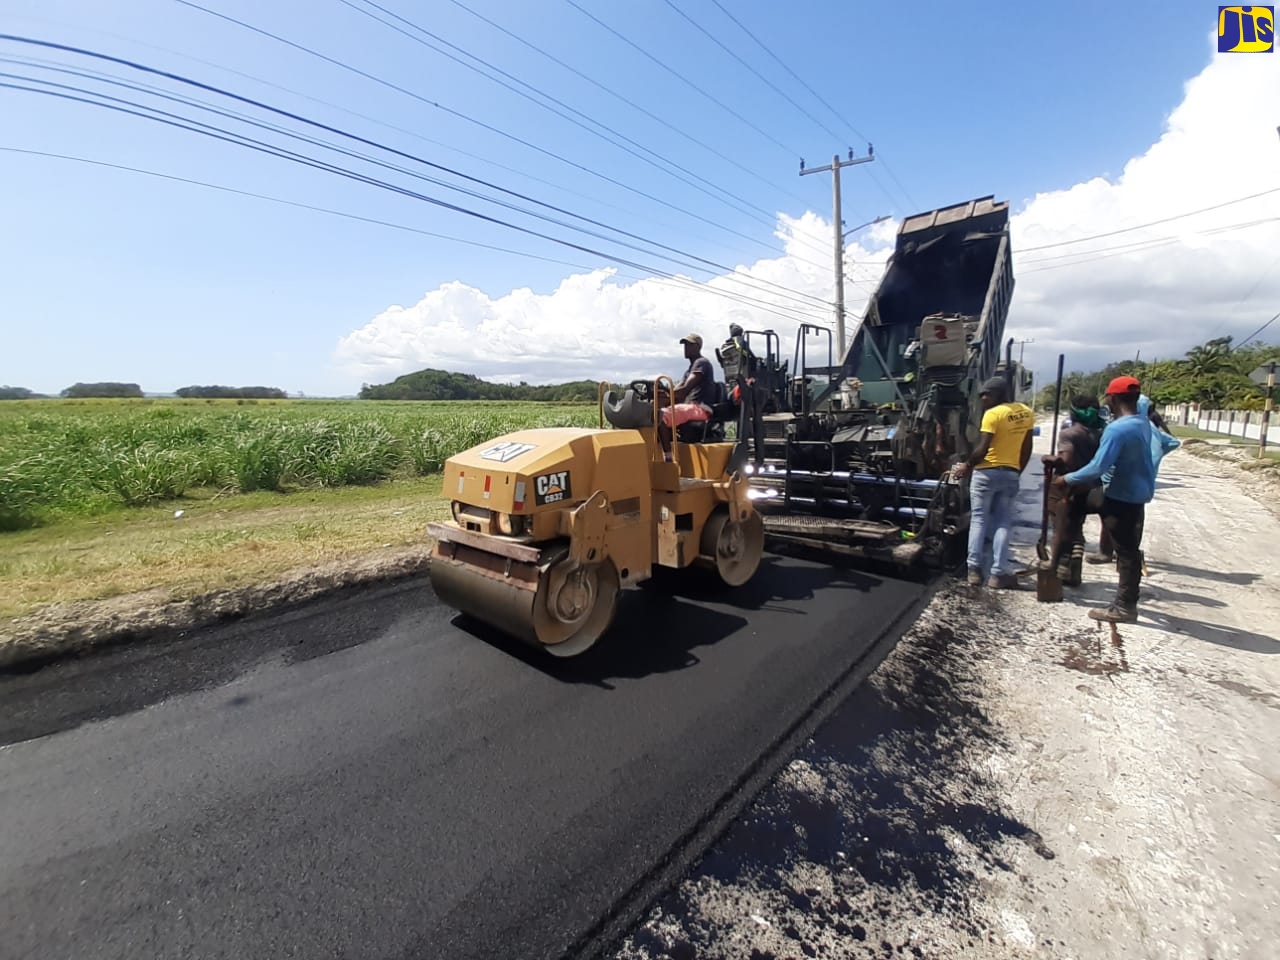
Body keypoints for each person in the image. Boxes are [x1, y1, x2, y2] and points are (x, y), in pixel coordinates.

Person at [1057, 375, 1155, 622]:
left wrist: (1066, 480)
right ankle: (1072, 551)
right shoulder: (1141, 423)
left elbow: (1097, 467)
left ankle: (1125, 606)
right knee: (1080, 505)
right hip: (1134, 492)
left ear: (1112, 398)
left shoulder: (1117, 429)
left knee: (1126, 552)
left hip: (1122, 495)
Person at [953, 376, 1036, 588]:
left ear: (1000, 394)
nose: (982, 399)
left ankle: (974, 570)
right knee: (1003, 522)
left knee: (979, 519)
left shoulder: (993, 414)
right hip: (1009, 474)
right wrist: (1016, 471)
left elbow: (982, 449)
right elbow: (1026, 448)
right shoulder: (1025, 413)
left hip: (985, 474)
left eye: (986, 394)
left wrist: (966, 465)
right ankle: (998, 574)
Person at [1042, 394, 1104, 585]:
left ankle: (1060, 566)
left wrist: (1050, 459)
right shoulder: (1098, 434)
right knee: (1075, 526)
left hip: (1065, 486)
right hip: (1087, 487)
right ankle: (1074, 570)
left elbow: (1066, 461)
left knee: (1060, 527)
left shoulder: (1069, 434)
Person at [656, 333, 716, 459]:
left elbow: (684, 390)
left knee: (660, 416)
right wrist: (660, 396)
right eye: (685, 345)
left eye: (689, 345)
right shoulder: (690, 369)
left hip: (701, 408)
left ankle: (668, 459)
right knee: (653, 412)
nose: (686, 348)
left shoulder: (702, 363)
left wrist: (665, 391)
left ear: (698, 347)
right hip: (692, 408)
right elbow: (676, 392)